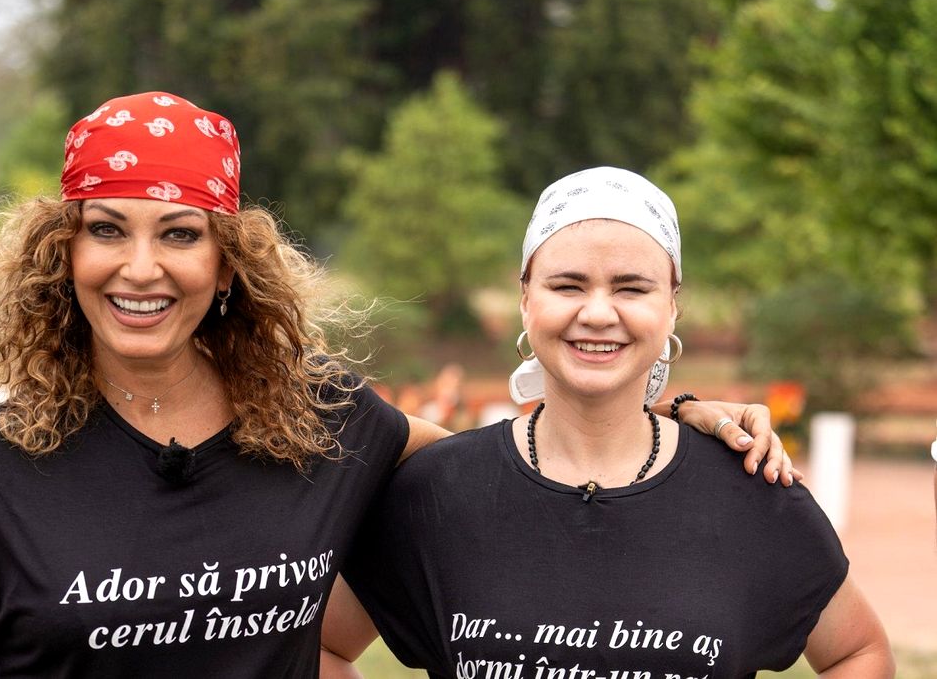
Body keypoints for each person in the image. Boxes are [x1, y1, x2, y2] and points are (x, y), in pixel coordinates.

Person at [0, 94, 796, 678]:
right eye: (107, 230)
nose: (142, 268)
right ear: (62, 256)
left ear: (227, 264)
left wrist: (674, 412)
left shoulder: (319, 420)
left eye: (179, 233)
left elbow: (517, 467)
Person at [324, 167, 894, 678]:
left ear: (672, 305)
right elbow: (321, 648)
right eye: (567, 285)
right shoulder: (437, 491)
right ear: (525, 299)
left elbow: (858, 653)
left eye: (632, 288)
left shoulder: (750, 490)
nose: (597, 313)